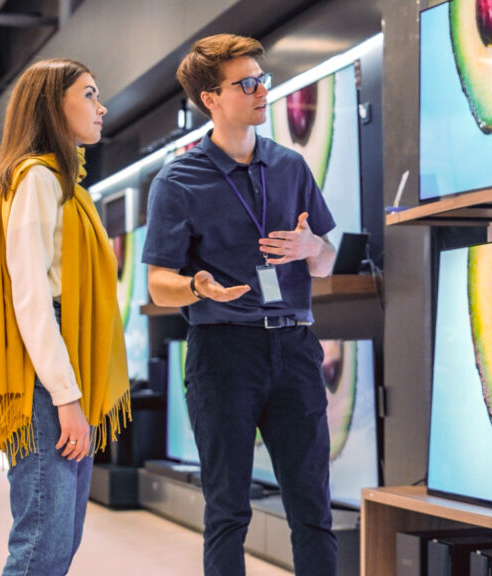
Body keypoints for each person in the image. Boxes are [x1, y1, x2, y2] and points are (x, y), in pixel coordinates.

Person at [142, 34, 338, 576]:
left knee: (312, 509)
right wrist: (197, 287)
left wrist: (311, 247)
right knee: (228, 510)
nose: (261, 91)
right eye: (246, 83)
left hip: (295, 346)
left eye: (262, 79)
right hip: (223, 352)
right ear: (209, 98)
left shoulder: (291, 166)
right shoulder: (178, 180)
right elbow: (159, 284)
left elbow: (325, 261)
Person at [0, 58, 131, 575]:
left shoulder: (63, 184)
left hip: (60, 371)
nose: (100, 106)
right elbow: (32, 300)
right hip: (48, 378)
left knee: (57, 542)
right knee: (42, 544)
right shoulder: (39, 178)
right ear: (51, 105)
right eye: (88, 94)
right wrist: (66, 398)